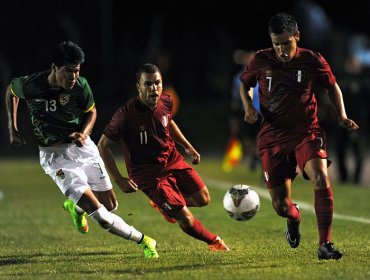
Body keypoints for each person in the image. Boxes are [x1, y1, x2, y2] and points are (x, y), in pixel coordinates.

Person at [5, 41, 159, 259]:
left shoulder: (80, 86)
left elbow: (92, 111)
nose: (73, 77)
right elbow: (10, 91)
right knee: (102, 217)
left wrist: (84, 133)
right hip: (55, 158)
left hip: (83, 148)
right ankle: (145, 241)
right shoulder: (32, 85)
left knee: (111, 206)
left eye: (77, 71)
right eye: (68, 71)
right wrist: (13, 129)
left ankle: (75, 208)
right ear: (54, 68)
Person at [239, 13, 359, 260]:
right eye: (276, 43)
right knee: (281, 207)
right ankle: (294, 218)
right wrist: (249, 107)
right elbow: (245, 84)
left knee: (321, 177)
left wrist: (341, 115)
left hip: (306, 131)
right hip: (272, 136)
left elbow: (331, 85)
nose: (282, 49)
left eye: (286, 42)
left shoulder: (311, 59)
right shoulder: (261, 60)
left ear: (297, 37)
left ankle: (325, 245)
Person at [97, 63, 229, 252]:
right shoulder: (125, 116)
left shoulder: (166, 101)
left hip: (172, 158)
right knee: (186, 218)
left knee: (203, 198)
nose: (154, 88)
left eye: (157, 83)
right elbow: (103, 145)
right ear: (139, 87)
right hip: (148, 174)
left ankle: (163, 206)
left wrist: (187, 146)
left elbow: (168, 122)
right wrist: (119, 179)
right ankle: (214, 241)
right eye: (148, 84)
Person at [228, 49, 260, 171]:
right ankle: (253, 156)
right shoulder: (239, 78)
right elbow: (235, 97)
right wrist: (234, 116)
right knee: (247, 138)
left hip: (261, 112)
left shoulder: (261, 76)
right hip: (245, 112)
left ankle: (259, 157)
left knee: (260, 137)